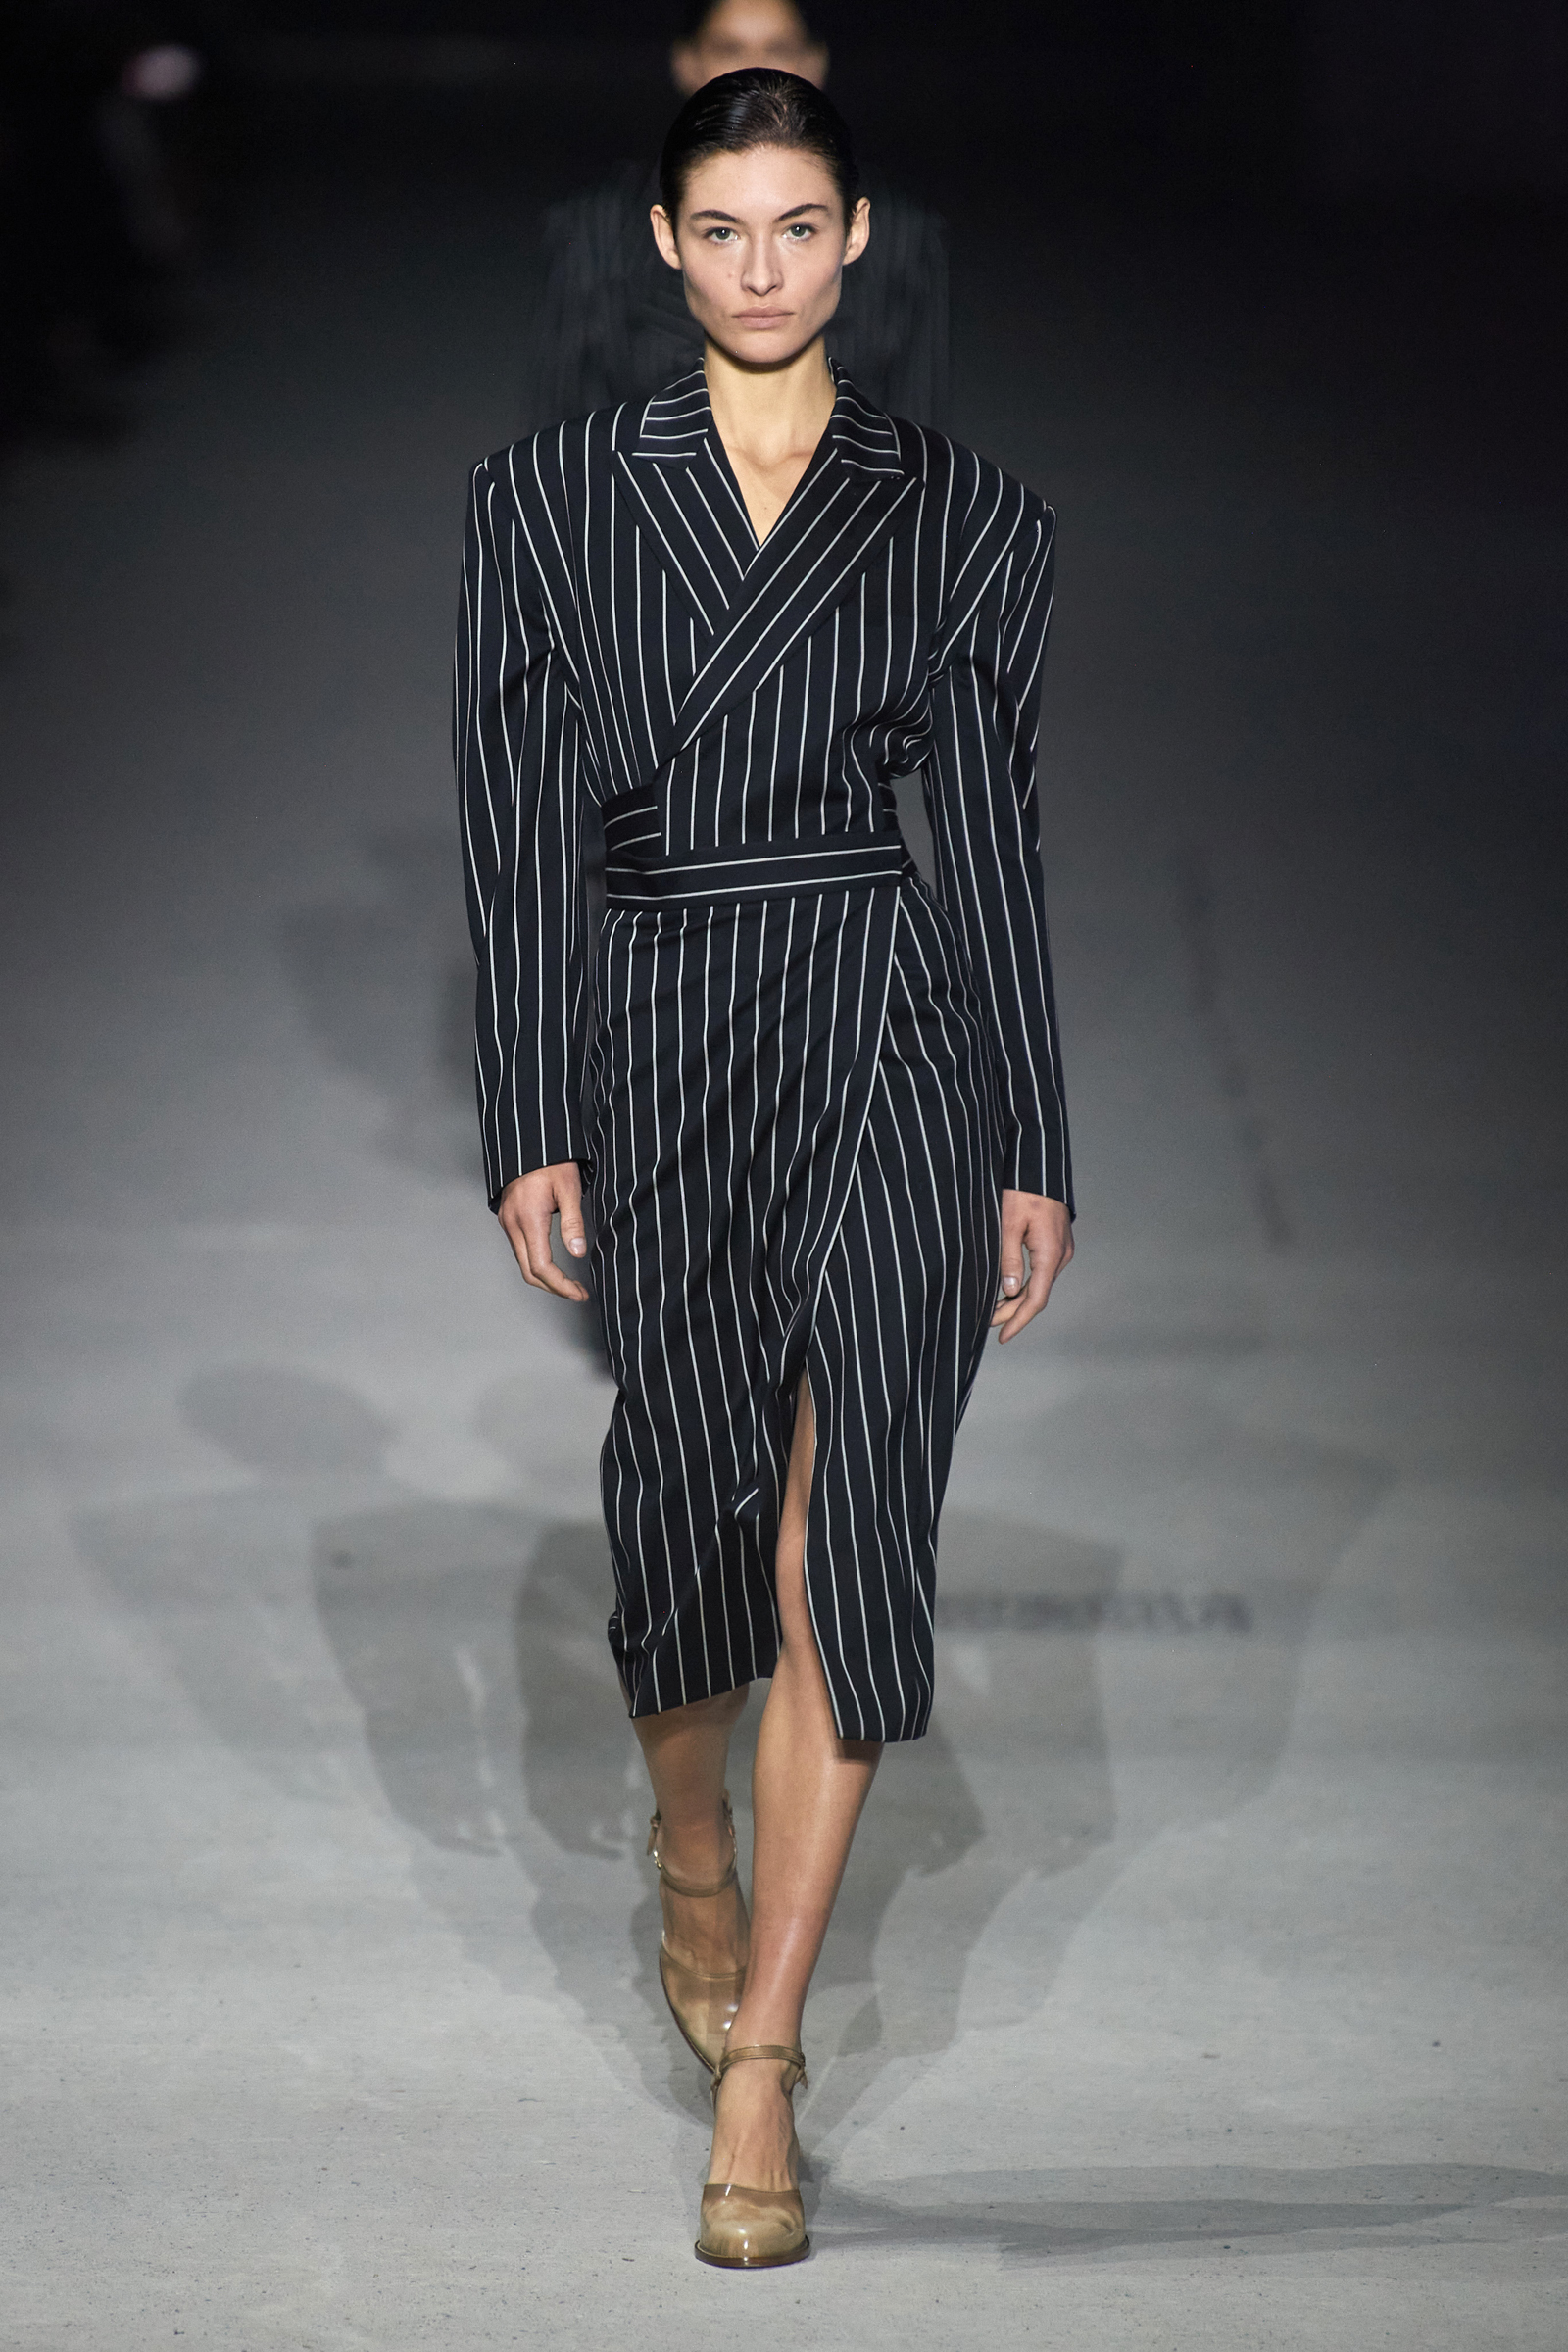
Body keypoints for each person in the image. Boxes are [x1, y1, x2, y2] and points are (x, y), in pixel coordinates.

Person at [457, 68, 1073, 2270]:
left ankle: (764, 2072)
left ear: (858, 236)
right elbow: (514, 825)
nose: (759, 269)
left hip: (890, 1026)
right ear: (662, 243)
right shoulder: (547, 499)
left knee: (850, 1540)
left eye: (798, 227)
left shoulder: (960, 511)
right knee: (686, 1515)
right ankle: (689, 1844)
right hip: (668, 1034)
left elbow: (989, 839)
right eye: (719, 230)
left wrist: (1029, 1130)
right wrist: (529, 1109)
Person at [518, 0, 948, 430]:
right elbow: (563, 447)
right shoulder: (595, 231)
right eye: (730, 49)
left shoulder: (903, 238)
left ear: (815, 62)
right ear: (686, 63)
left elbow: (914, 447)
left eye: (778, 49)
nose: (754, 71)